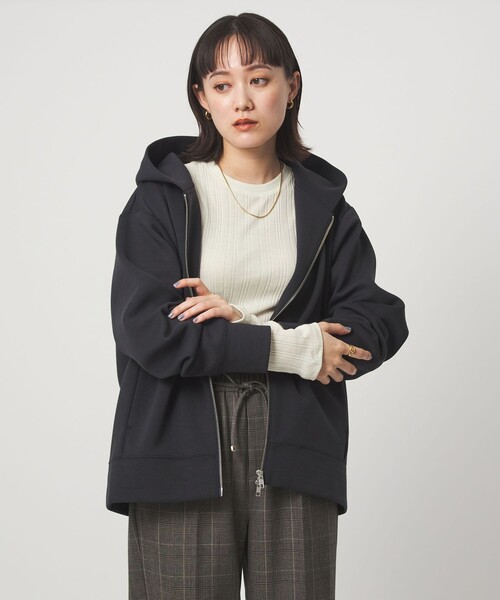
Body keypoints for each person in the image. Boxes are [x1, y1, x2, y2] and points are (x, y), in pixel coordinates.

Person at [106, 12, 409, 600]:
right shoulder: (162, 201)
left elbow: (378, 319)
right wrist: (291, 347)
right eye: (222, 84)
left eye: (260, 79)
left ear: (291, 87)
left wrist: (247, 326)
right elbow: (151, 333)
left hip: (296, 441)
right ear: (202, 98)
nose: (241, 100)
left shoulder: (326, 210)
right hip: (179, 444)